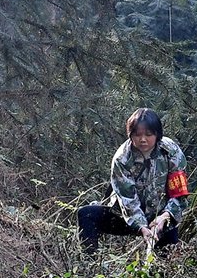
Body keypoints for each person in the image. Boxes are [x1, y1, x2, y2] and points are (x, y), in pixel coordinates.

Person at [78, 107, 190, 254]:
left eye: (148, 134)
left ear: (157, 135)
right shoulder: (122, 159)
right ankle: (88, 269)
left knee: (166, 265)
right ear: (131, 135)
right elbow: (127, 199)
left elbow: (179, 192)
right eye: (137, 135)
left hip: (161, 219)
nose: (143, 139)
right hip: (125, 217)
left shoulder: (171, 151)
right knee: (86, 214)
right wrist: (142, 227)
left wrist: (165, 217)